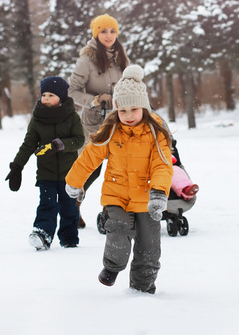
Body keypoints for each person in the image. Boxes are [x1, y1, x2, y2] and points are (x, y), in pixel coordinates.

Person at [65, 65, 173, 293]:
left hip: (146, 198)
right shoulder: (111, 129)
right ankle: (112, 266)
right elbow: (89, 157)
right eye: (122, 111)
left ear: (144, 107)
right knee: (118, 228)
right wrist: (75, 181)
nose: (128, 115)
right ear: (116, 110)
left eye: (134, 109)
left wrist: (159, 193)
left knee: (149, 248)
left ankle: (142, 289)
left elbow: (162, 165)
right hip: (117, 195)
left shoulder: (156, 132)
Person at [5, 76, 85, 250]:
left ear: (61, 97)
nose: (46, 98)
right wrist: (17, 166)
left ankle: (69, 238)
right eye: (44, 95)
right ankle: (42, 234)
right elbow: (28, 145)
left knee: (69, 208)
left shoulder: (72, 118)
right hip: (46, 174)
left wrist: (60, 144)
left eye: (51, 95)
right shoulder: (37, 119)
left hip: (69, 174)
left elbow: (79, 140)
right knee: (46, 204)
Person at [68, 13, 129, 228]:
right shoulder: (87, 59)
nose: (109, 35)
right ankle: (73, 205)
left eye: (112, 31)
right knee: (91, 167)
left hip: (122, 119)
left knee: (119, 167)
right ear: (96, 33)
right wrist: (94, 100)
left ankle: (110, 210)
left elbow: (130, 84)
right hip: (95, 121)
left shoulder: (122, 56)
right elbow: (72, 91)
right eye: (103, 31)